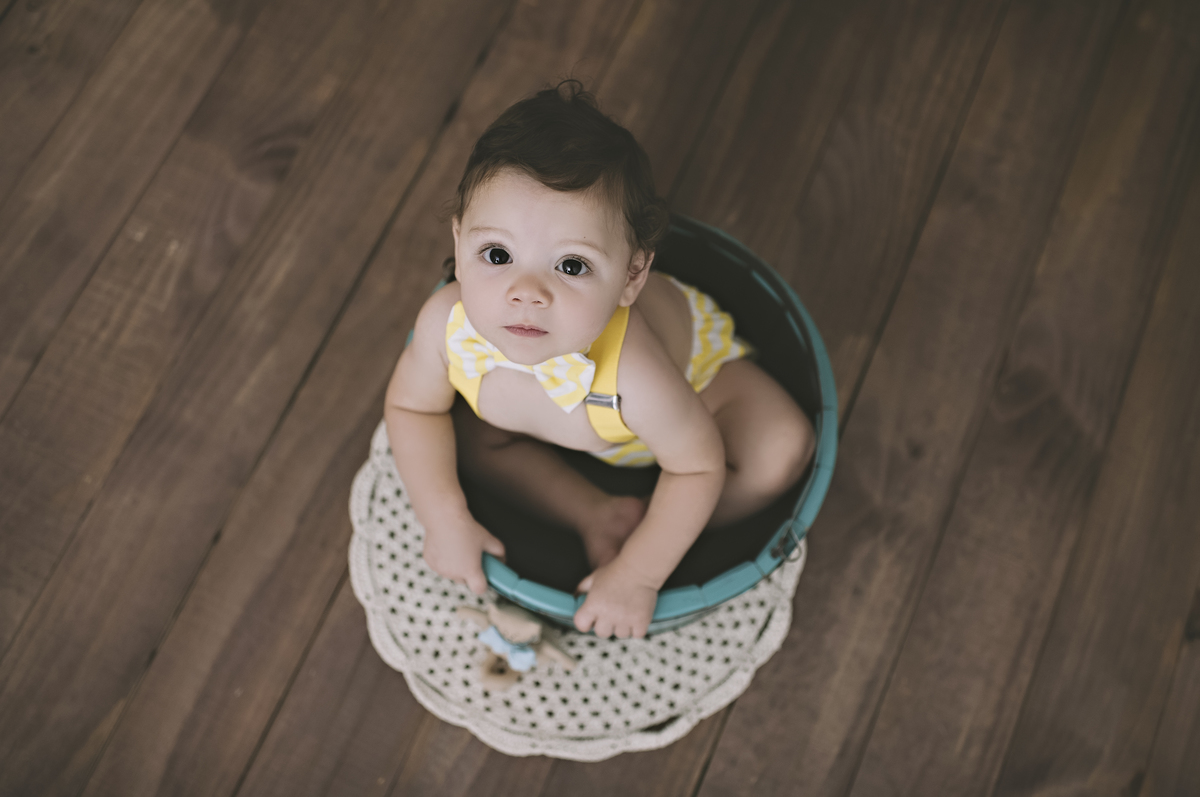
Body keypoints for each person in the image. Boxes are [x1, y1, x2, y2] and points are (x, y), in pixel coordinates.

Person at [384, 81, 813, 639]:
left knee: (783, 449)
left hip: (697, 387)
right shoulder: (446, 326)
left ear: (632, 276)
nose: (526, 292)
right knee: (460, 439)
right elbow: (412, 409)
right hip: (564, 432)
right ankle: (594, 511)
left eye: (572, 266)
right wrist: (443, 517)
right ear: (460, 245)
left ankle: (655, 526)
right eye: (497, 254)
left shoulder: (636, 372)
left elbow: (697, 465)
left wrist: (638, 573)